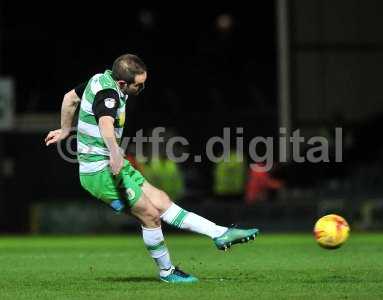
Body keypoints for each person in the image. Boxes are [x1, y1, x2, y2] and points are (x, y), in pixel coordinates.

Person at [44, 54, 259, 283]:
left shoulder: (98, 79)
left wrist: (66, 129)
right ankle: (167, 272)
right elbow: (105, 123)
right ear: (122, 83)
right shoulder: (109, 95)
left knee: (162, 201)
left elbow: (70, 98)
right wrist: (115, 152)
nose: (143, 87)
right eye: (139, 84)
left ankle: (219, 234)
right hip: (100, 172)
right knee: (150, 215)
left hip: (113, 164)